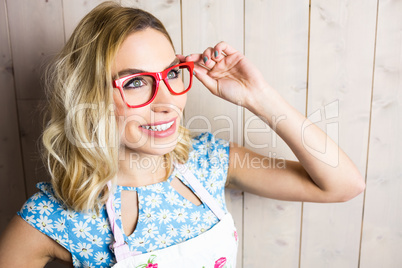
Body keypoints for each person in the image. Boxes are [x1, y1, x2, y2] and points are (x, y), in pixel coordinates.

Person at [0, 1, 365, 267]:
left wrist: (259, 97)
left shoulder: (208, 160)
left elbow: (344, 185)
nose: (166, 101)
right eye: (137, 82)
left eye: (172, 73)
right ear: (89, 94)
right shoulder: (53, 217)